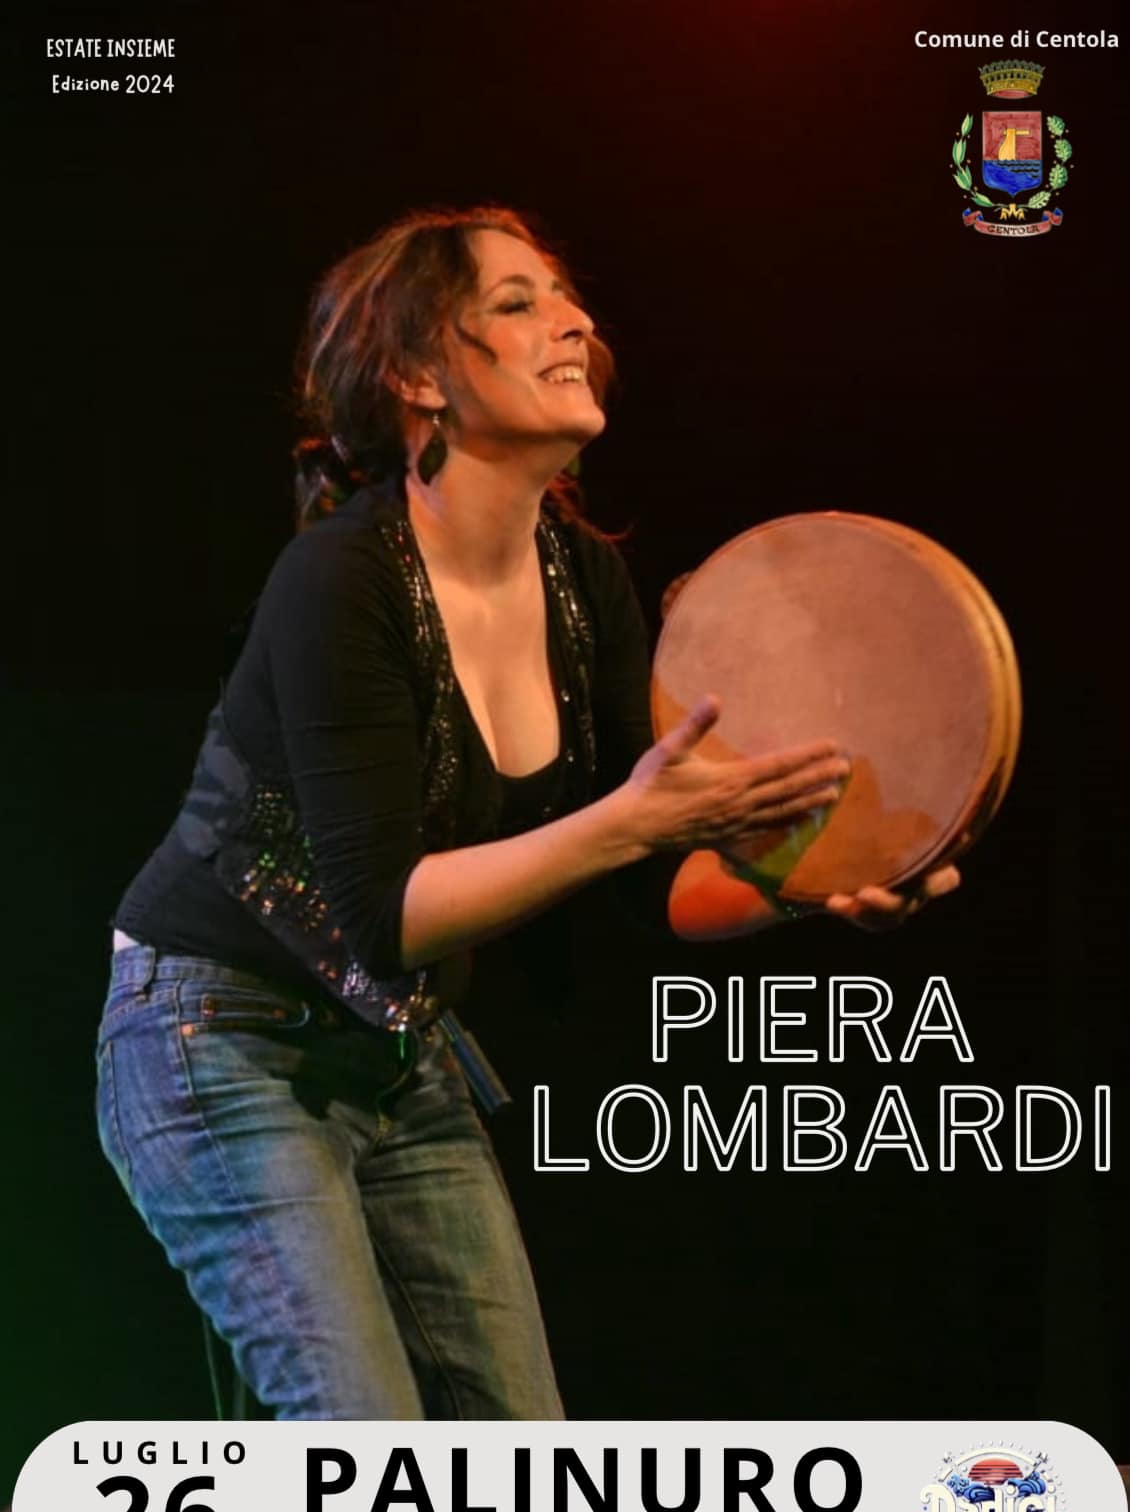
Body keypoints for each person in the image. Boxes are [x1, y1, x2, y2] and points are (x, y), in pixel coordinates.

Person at [96, 205, 957, 1422]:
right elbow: (390, 913)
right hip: (217, 1041)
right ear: (417, 376)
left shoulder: (584, 580)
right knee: (366, 1442)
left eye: (564, 296)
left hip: (398, 1053)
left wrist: (805, 886)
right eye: (518, 302)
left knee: (523, 1472)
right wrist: (639, 820)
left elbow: (652, 884)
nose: (574, 321)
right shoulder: (340, 577)